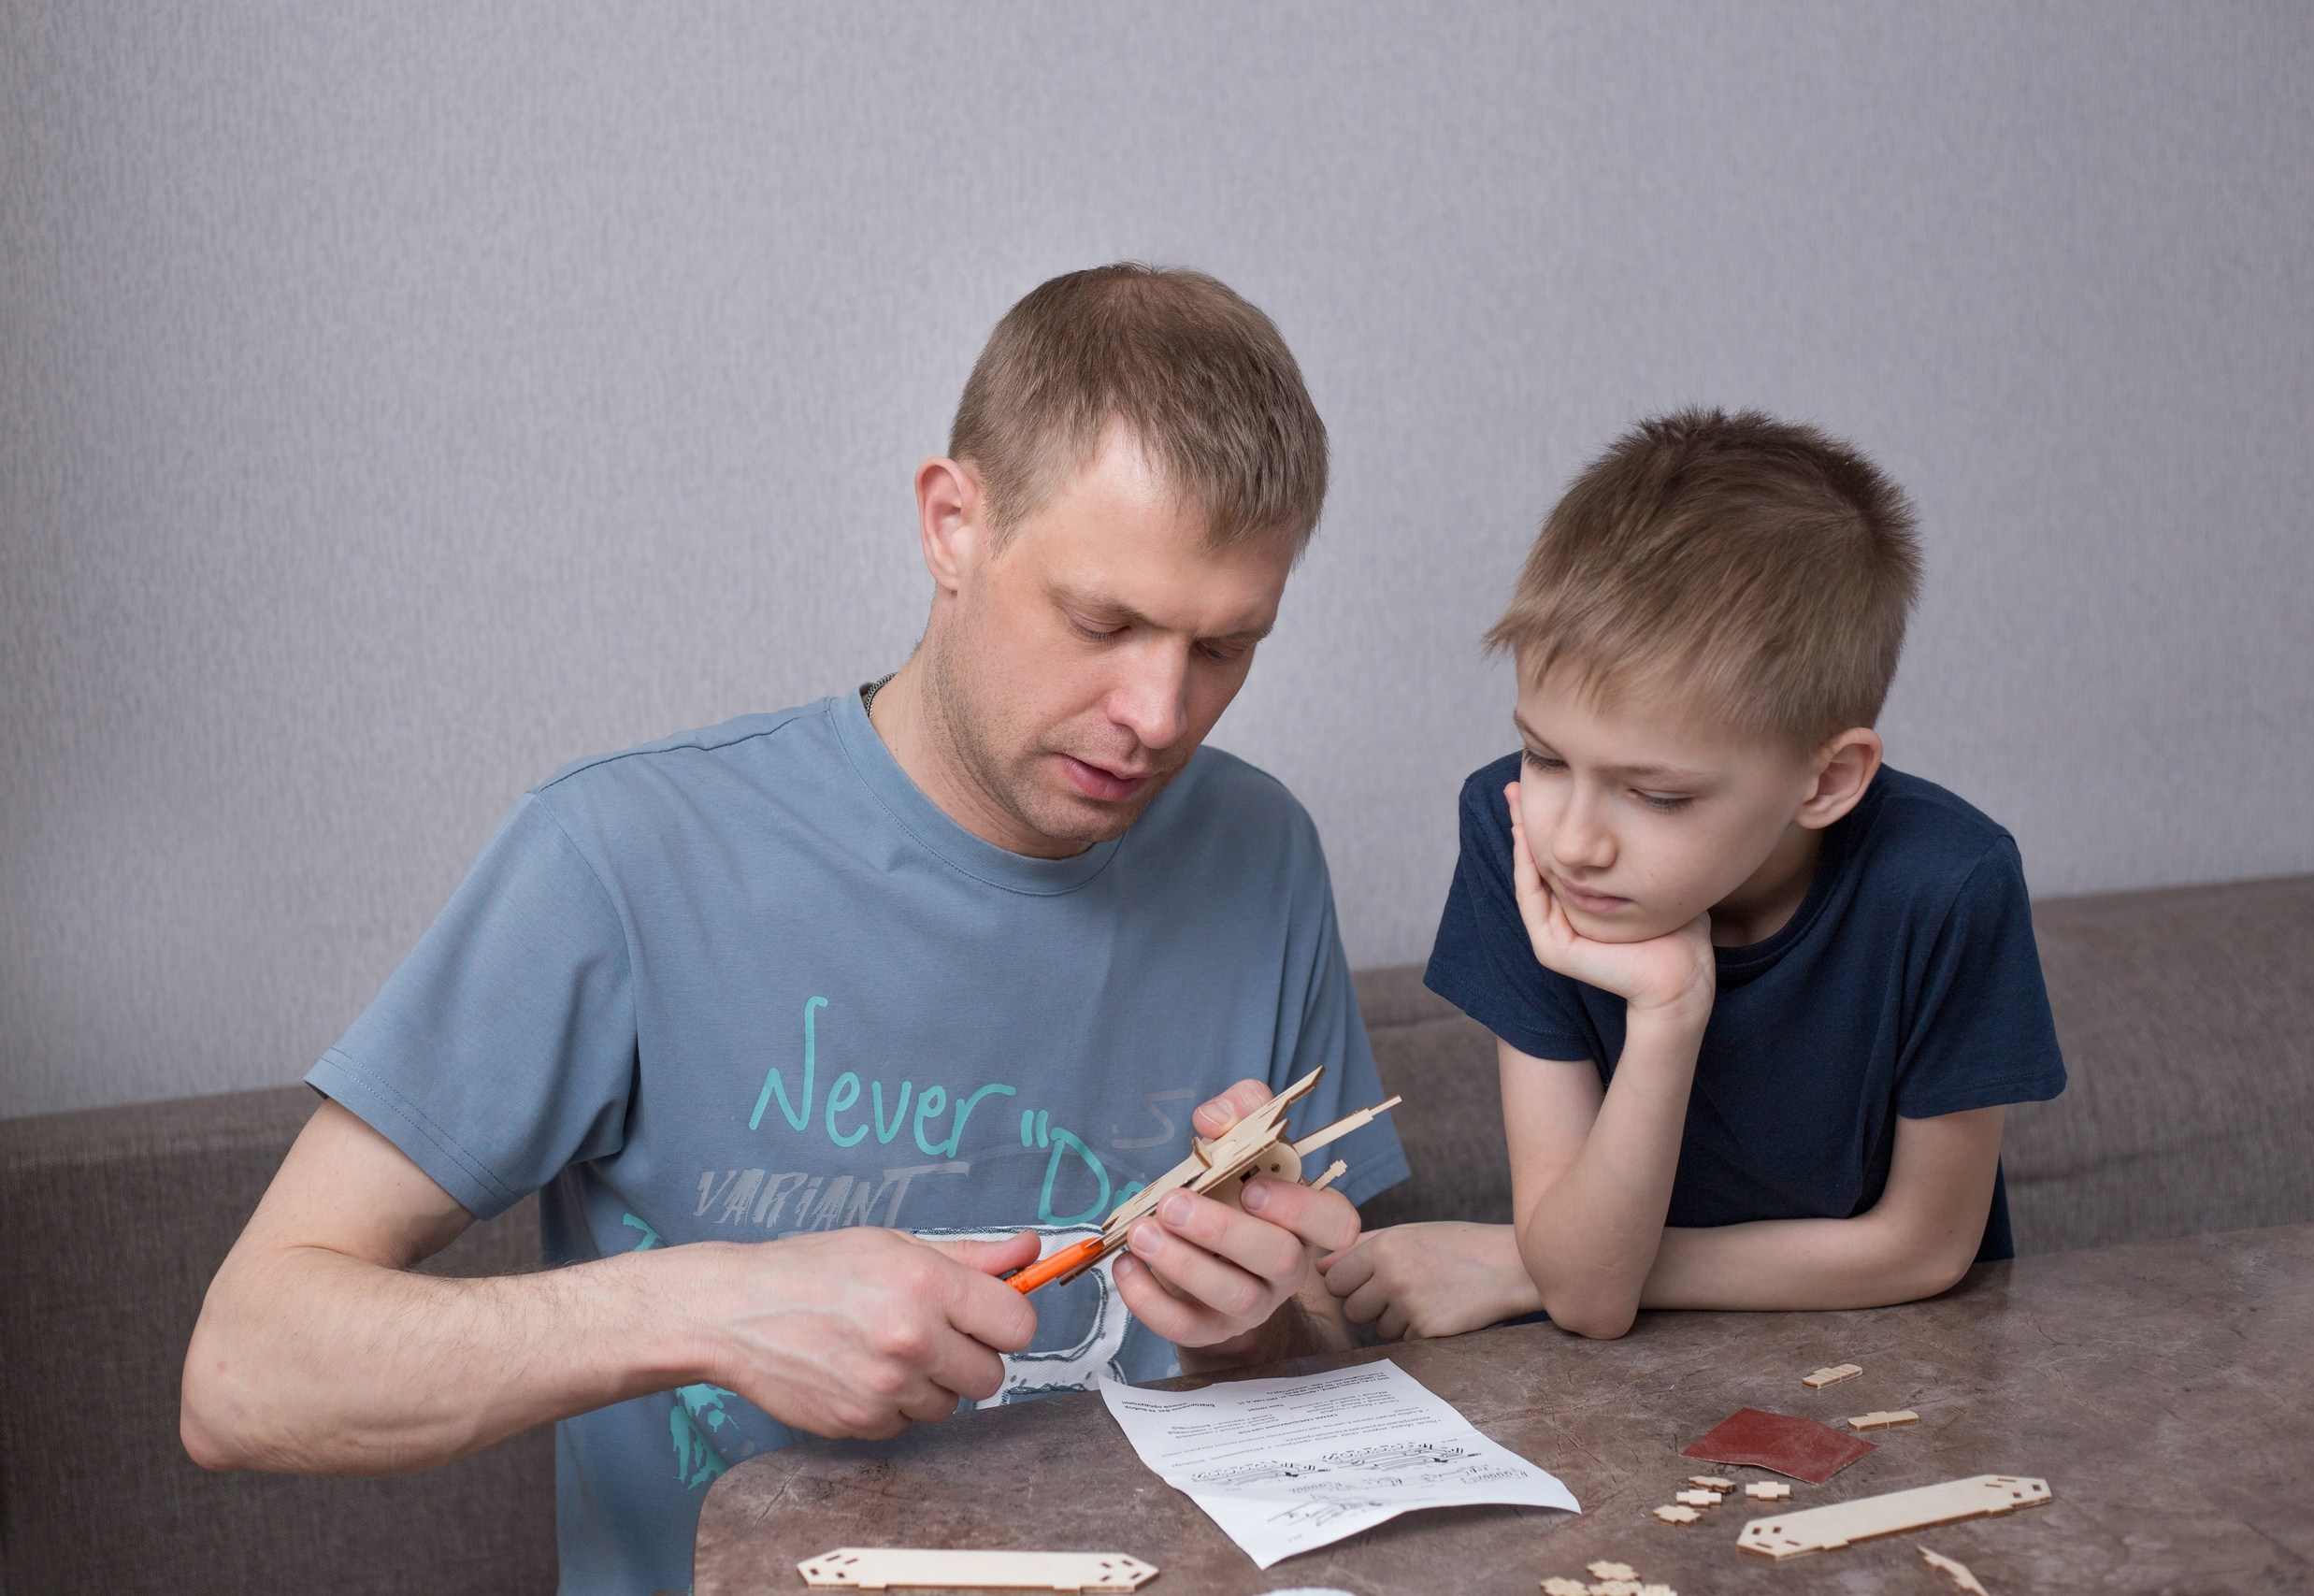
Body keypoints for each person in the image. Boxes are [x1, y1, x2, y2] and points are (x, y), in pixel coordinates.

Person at [180, 264, 1407, 1595]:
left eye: (1224, 647)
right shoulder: (620, 857)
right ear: (952, 524)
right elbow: (247, 1371)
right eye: (1102, 621)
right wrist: (713, 1308)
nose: (1162, 714)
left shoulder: (1261, 850)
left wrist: (1250, 1326)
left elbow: (1338, 1363)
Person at [1321, 409, 2063, 1342]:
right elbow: (1591, 1301)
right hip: (1626, 1391)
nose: (1577, 840)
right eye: (1545, 757)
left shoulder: (1947, 886)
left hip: (1904, 1365)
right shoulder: (1513, 830)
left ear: (1826, 781)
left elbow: (1923, 1248)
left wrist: (1527, 1261)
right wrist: (1669, 1015)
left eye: (1658, 796)